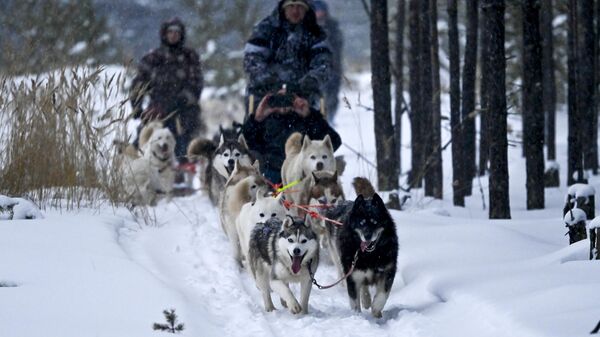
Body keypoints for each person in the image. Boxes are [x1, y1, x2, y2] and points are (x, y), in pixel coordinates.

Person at [242, 0, 341, 184]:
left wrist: (307, 83)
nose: (295, 11)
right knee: (258, 141)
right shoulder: (265, 29)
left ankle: (305, 179)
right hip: (268, 98)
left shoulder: (314, 32)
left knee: (309, 138)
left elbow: (324, 64)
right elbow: (252, 61)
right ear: (283, 8)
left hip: (303, 99)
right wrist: (272, 86)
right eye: (291, 6)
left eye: (299, 7)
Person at [129, 17, 203, 169]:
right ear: (164, 34)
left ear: (181, 34)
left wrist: (181, 101)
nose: (174, 35)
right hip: (157, 106)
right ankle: (135, 168)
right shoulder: (152, 57)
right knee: (144, 137)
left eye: (177, 32)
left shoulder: (190, 57)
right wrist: (137, 106)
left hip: (183, 108)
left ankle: (183, 172)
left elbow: (196, 84)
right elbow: (138, 83)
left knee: (183, 136)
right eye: (170, 31)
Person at [313, 0, 344, 124]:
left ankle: (330, 118)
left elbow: (338, 46)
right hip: (315, 68)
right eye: (317, 11)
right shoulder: (308, 28)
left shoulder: (333, 27)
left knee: (332, 95)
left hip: (333, 67)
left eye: (320, 11)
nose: (319, 14)